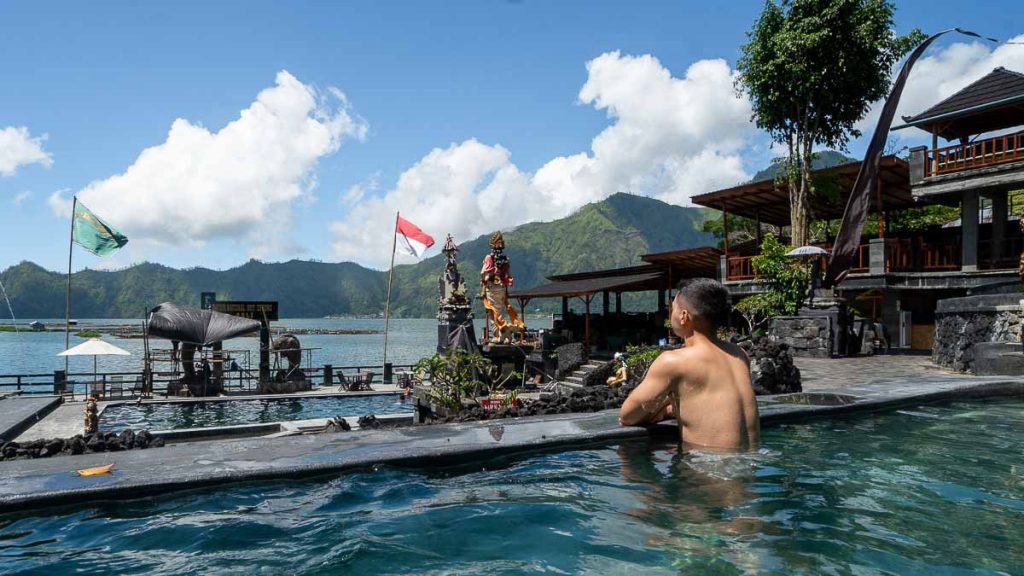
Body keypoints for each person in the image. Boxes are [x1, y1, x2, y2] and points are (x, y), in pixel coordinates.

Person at [619, 278, 759, 450]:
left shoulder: (674, 361)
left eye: (673, 307)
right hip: (749, 467)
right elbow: (713, 404)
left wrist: (661, 405)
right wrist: (671, 409)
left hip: (707, 469)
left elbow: (627, 416)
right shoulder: (739, 354)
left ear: (683, 316)